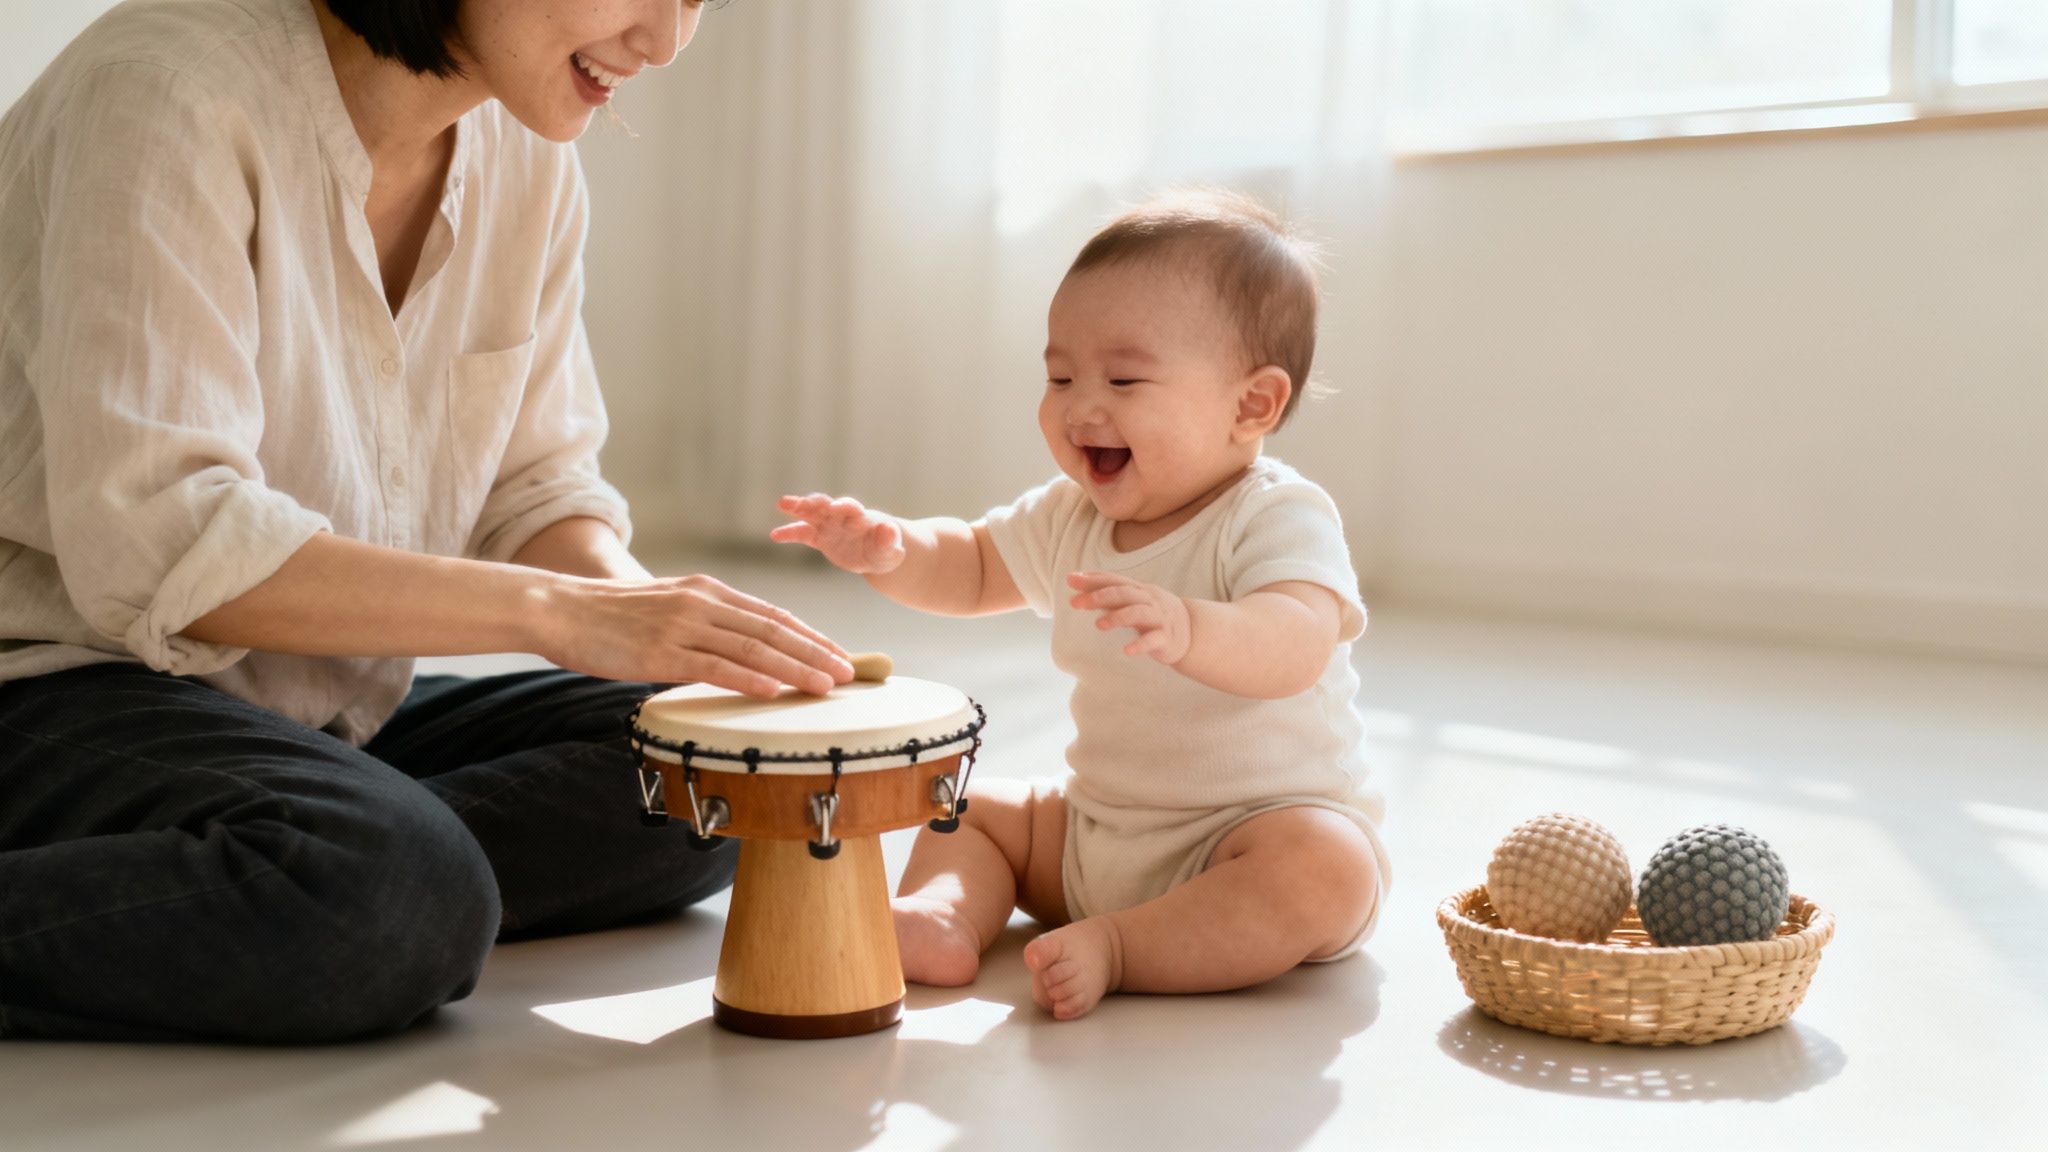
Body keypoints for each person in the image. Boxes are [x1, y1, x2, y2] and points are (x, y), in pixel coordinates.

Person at [0, 0, 855, 1044]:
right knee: (397, 890)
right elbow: (165, 540)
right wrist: (560, 614)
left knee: (709, 782)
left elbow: (533, 488)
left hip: (294, 704)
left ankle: (310, 866)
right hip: (52, 689)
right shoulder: (165, 90)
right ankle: (363, 875)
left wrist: (669, 641)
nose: (665, 39)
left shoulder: (523, 150)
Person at [772, 190, 1390, 1020]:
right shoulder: (1074, 516)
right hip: (1099, 835)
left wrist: (1192, 627)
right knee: (976, 808)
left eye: (1123, 379)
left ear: (1252, 405)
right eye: (1060, 375)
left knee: (1327, 868)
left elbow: (1297, 641)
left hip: (1248, 837)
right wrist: (894, 550)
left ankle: (1127, 946)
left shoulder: (1276, 514)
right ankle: (945, 917)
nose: (1079, 405)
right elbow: (974, 566)